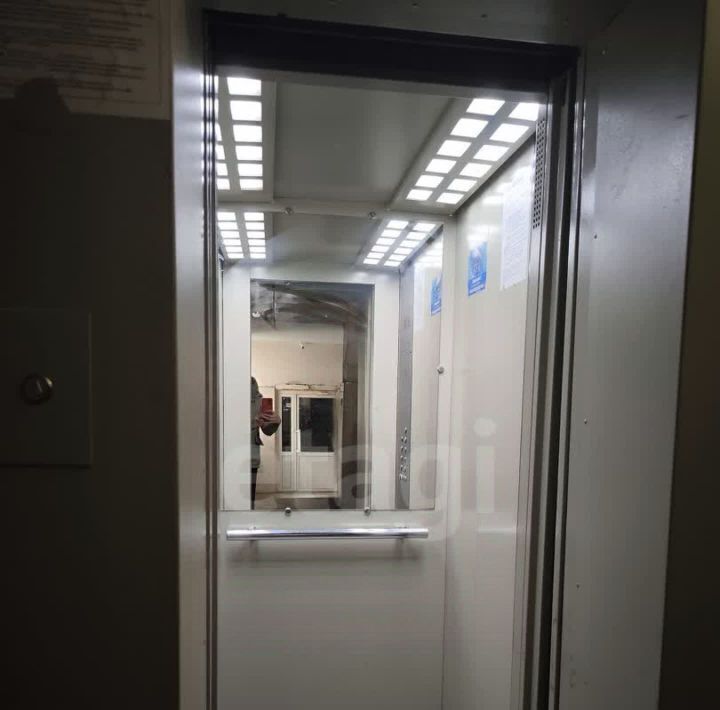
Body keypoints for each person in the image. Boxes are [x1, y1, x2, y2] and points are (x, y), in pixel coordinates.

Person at [251, 376, 280, 508]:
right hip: (225, 455)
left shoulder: (259, 402)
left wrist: (274, 423)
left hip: (251, 458)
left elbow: (267, 431)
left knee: (248, 502)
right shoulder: (226, 399)